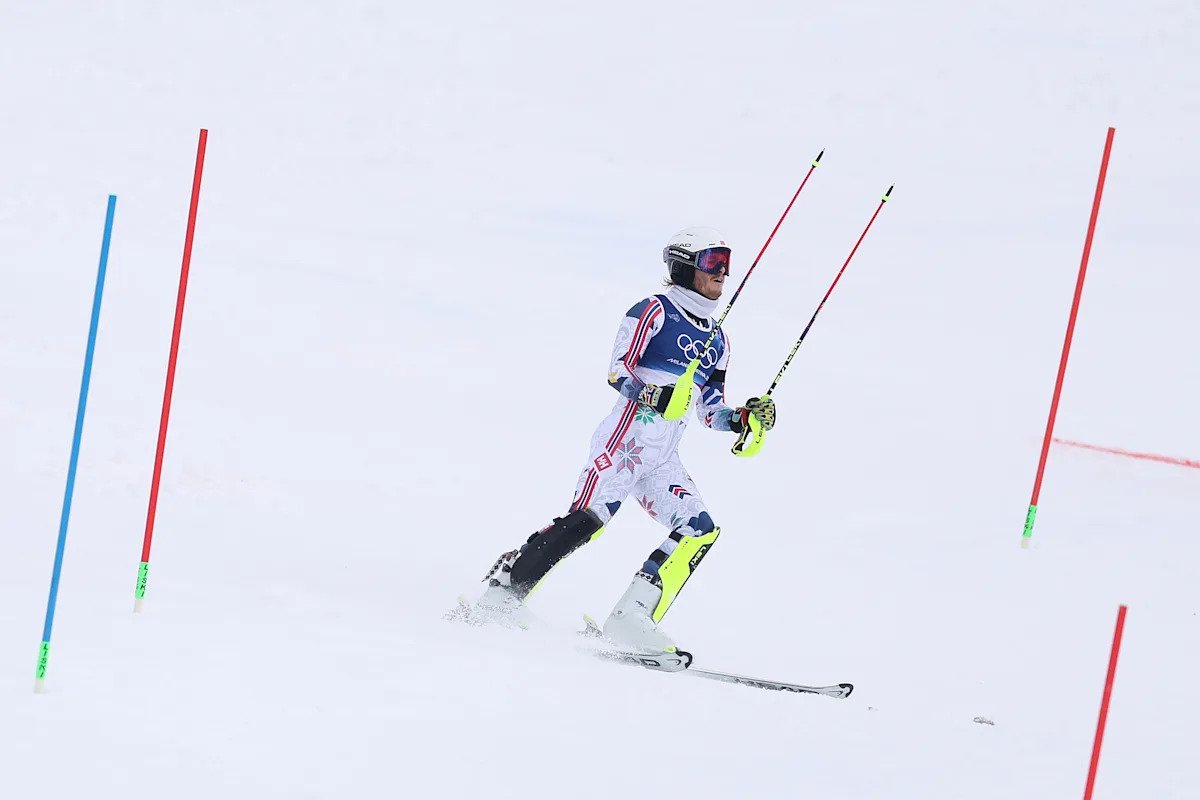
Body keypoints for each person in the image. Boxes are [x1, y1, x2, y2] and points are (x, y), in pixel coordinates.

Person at [473, 227, 776, 654]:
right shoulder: (654, 311)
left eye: (726, 262)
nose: (723, 273)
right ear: (684, 267)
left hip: (663, 459)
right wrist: (655, 394)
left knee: (699, 529)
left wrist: (742, 419)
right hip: (623, 444)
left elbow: (710, 411)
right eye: (712, 262)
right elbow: (618, 371)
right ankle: (502, 595)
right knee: (588, 520)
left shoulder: (720, 340)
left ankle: (630, 619)